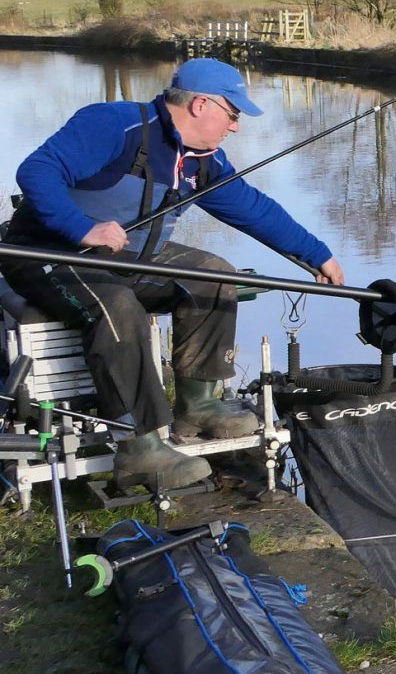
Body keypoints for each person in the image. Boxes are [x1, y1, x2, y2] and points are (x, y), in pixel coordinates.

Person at [0, 58, 345, 489]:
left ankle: (198, 405)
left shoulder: (203, 161)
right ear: (201, 105)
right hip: (45, 254)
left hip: (128, 257)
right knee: (117, 307)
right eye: (233, 114)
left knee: (214, 274)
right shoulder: (114, 125)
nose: (235, 127)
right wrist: (83, 228)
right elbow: (37, 171)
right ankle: (138, 444)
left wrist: (318, 255)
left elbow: (253, 209)